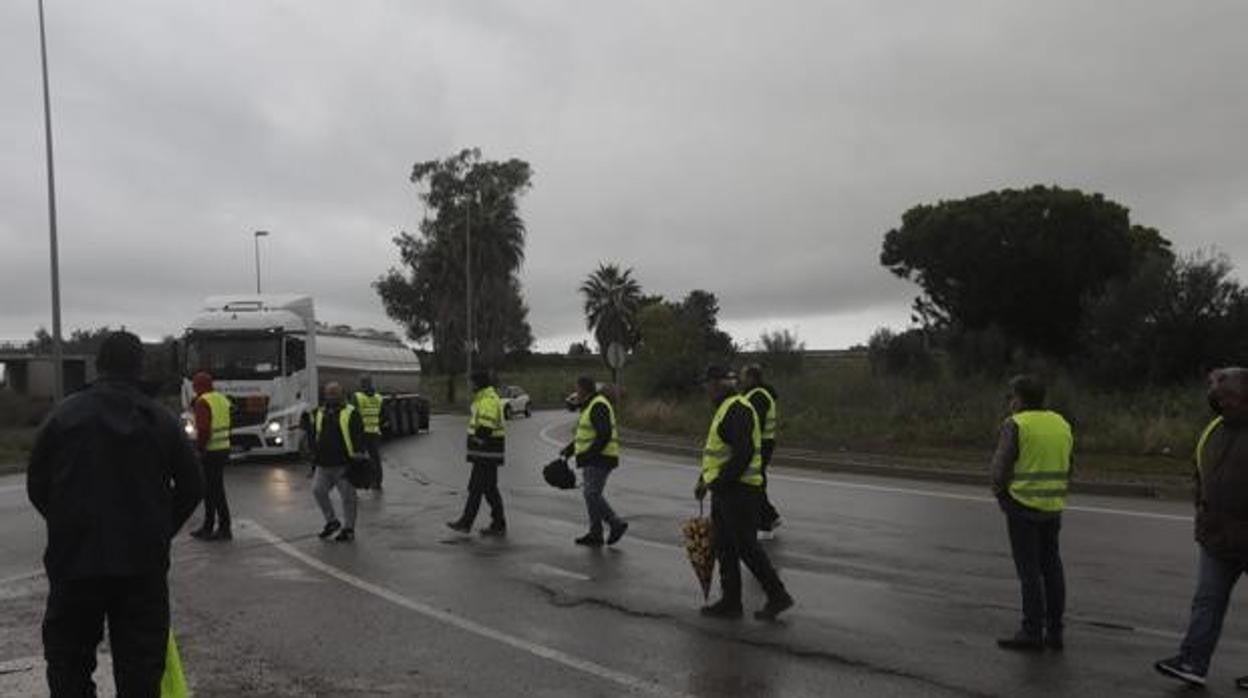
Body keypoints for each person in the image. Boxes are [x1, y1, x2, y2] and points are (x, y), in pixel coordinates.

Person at [27, 330, 203, 697]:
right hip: (141, 566)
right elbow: (192, 486)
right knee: (140, 669)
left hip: (75, 562)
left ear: (100, 364)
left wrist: (67, 524)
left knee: (69, 666)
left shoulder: (63, 416)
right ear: (139, 367)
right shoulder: (161, 419)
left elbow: (38, 484)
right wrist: (159, 529)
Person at [1155, 367, 1248, 689]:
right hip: (1216, 536)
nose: (1223, 403)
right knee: (1207, 601)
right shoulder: (1213, 430)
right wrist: (1202, 510)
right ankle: (1192, 662)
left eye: (1230, 397)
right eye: (1219, 397)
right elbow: (1200, 474)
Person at [696, 365, 794, 621]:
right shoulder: (725, 409)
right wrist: (704, 481)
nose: (706, 389)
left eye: (707, 384)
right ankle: (731, 602)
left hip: (739, 491)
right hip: (726, 489)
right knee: (725, 546)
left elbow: (744, 452)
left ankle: (777, 595)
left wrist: (719, 482)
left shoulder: (737, 409)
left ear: (718, 384)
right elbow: (719, 452)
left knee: (747, 547)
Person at [990, 374, 1073, 652]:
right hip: (1053, 507)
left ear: (1021, 399)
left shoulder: (1016, 424)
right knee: (1052, 567)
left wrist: (1001, 495)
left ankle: (1031, 631)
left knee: (1029, 571)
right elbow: (1069, 463)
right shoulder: (1061, 423)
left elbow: (1000, 467)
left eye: (1012, 396)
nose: (1010, 402)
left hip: (1023, 505)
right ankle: (1055, 631)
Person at [561, 376, 628, 547]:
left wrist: (589, 454)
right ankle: (595, 533)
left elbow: (604, 434)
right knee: (590, 494)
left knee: (591, 494)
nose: (576, 393)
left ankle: (615, 523)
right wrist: (569, 450)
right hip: (593, 458)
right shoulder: (590, 405)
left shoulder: (598, 405)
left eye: (577, 389)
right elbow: (585, 435)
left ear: (584, 389)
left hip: (601, 458)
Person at [447, 369, 507, 536]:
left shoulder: (487, 400)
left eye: (471, 382)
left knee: (475, 488)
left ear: (478, 383)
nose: (469, 385)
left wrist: (477, 441)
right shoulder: (485, 398)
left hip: (486, 452)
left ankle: (466, 523)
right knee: (489, 489)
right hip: (487, 453)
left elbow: (486, 426)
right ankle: (499, 523)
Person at [309, 382, 365, 542]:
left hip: (345, 463)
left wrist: (359, 455)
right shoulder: (320, 412)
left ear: (342, 394)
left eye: (335, 393)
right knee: (318, 491)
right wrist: (313, 456)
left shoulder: (351, 412)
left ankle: (349, 529)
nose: (332, 396)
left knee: (348, 498)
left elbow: (358, 434)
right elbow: (315, 434)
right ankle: (332, 521)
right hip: (324, 463)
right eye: (329, 393)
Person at [189, 371, 234, 541]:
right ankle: (212, 527)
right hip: (223, 448)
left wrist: (199, 449)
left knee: (212, 490)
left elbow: (204, 429)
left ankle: (220, 528)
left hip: (211, 451)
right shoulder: (222, 399)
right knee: (214, 489)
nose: (194, 389)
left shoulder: (203, 402)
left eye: (195, 386)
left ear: (199, 386)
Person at [740, 364, 782, 538]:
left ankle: (766, 522)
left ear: (751, 377)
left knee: (755, 482)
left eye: (743, 376)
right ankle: (769, 516)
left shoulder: (758, 396)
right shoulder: (757, 393)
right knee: (756, 481)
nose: (741, 379)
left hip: (760, 444)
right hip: (762, 443)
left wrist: (746, 444)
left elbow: (755, 423)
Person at [353, 376, 385, 491]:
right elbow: (383, 416)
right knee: (375, 458)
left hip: (362, 433)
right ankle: (377, 482)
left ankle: (359, 483)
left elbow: (353, 415)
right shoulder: (378, 398)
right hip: (375, 431)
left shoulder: (358, 397)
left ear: (362, 385)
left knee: (358, 458)